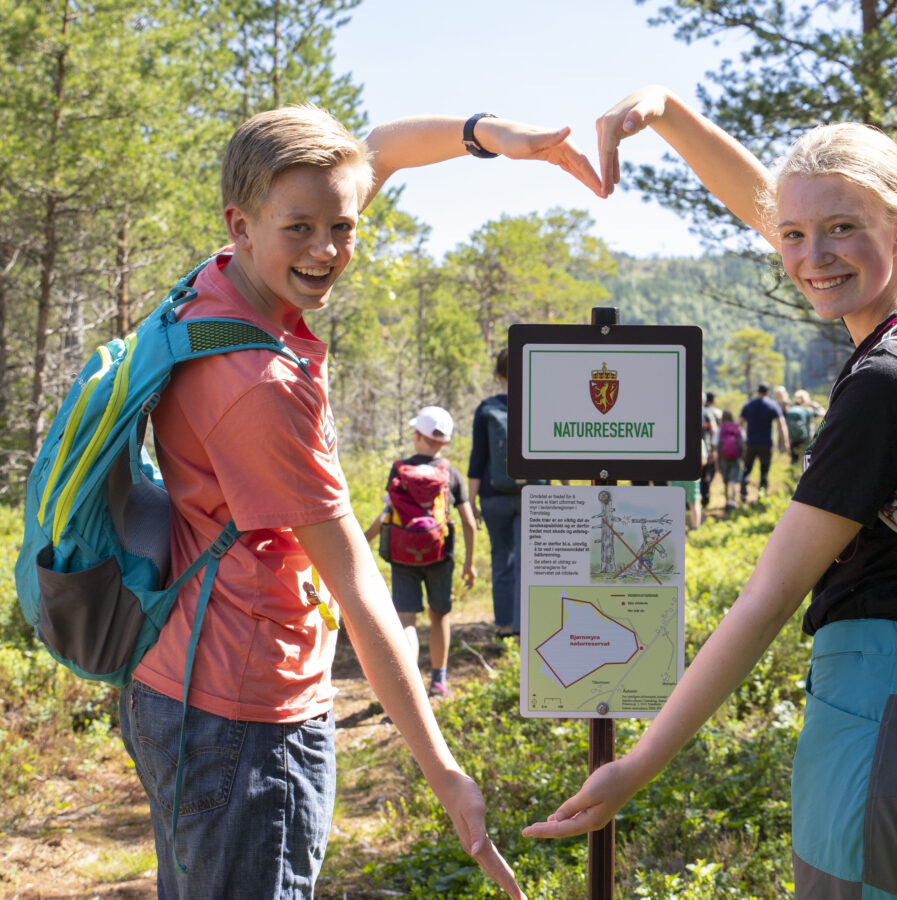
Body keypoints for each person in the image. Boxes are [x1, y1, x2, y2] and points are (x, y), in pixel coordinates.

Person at [524, 86, 897, 900]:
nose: (810, 256)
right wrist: (668, 115)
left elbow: (769, 596)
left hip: (878, 721)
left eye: (841, 230)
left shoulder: (888, 384)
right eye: (794, 236)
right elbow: (796, 218)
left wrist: (640, 764)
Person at [121, 103, 601, 900]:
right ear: (241, 223)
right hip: (247, 720)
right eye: (302, 230)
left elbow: (376, 151)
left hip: (178, 678)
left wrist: (496, 138)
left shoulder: (215, 290)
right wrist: (446, 774)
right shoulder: (261, 386)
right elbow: (361, 594)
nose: (327, 251)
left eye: (341, 228)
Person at [364, 406, 475, 698]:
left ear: (417, 436)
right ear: (445, 441)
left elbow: (387, 513)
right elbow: (469, 523)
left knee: (407, 621)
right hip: (440, 555)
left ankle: (408, 687)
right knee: (439, 616)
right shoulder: (451, 473)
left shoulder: (400, 470)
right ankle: (438, 682)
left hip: (402, 553)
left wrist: (364, 540)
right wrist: (469, 565)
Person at [468, 348, 531, 639]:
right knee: (529, 562)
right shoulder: (537, 405)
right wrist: (567, 490)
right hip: (535, 494)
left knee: (501, 557)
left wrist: (470, 500)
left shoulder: (486, 408)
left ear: (498, 374)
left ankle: (505, 625)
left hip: (493, 495)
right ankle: (525, 626)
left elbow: (477, 459)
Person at [739, 381, 789, 503]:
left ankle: (743, 493)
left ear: (758, 391)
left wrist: (741, 441)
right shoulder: (772, 405)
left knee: (747, 468)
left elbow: (739, 424)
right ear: (768, 392)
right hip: (766, 443)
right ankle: (762, 496)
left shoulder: (749, 405)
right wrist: (785, 442)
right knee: (764, 470)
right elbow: (781, 425)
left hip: (750, 443)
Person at [714, 409, 744, 509]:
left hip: (724, 457)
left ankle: (726, 501)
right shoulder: (737, 428)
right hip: (736, 457)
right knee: (734, 480)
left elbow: (715, 444)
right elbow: (743, 442)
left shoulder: (720, 429)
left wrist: (717, 459)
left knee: (726, 480)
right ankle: (733, 501)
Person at [699, 391, 722, 507]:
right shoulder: (707, 413)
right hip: (705, 450)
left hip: (689, 453)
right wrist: (714, 450)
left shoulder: (686, 411)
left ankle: (688, 502)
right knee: (705, 476)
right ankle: (705, 500)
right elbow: (714, 431)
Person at [785, 389, 820, 465]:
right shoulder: (809, 410)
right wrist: (816, 406)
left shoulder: (792, 409)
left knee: (794, 459)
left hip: (793, 438)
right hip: (806, 439)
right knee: (806, 460)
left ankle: (793, 474)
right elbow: (824, 415)